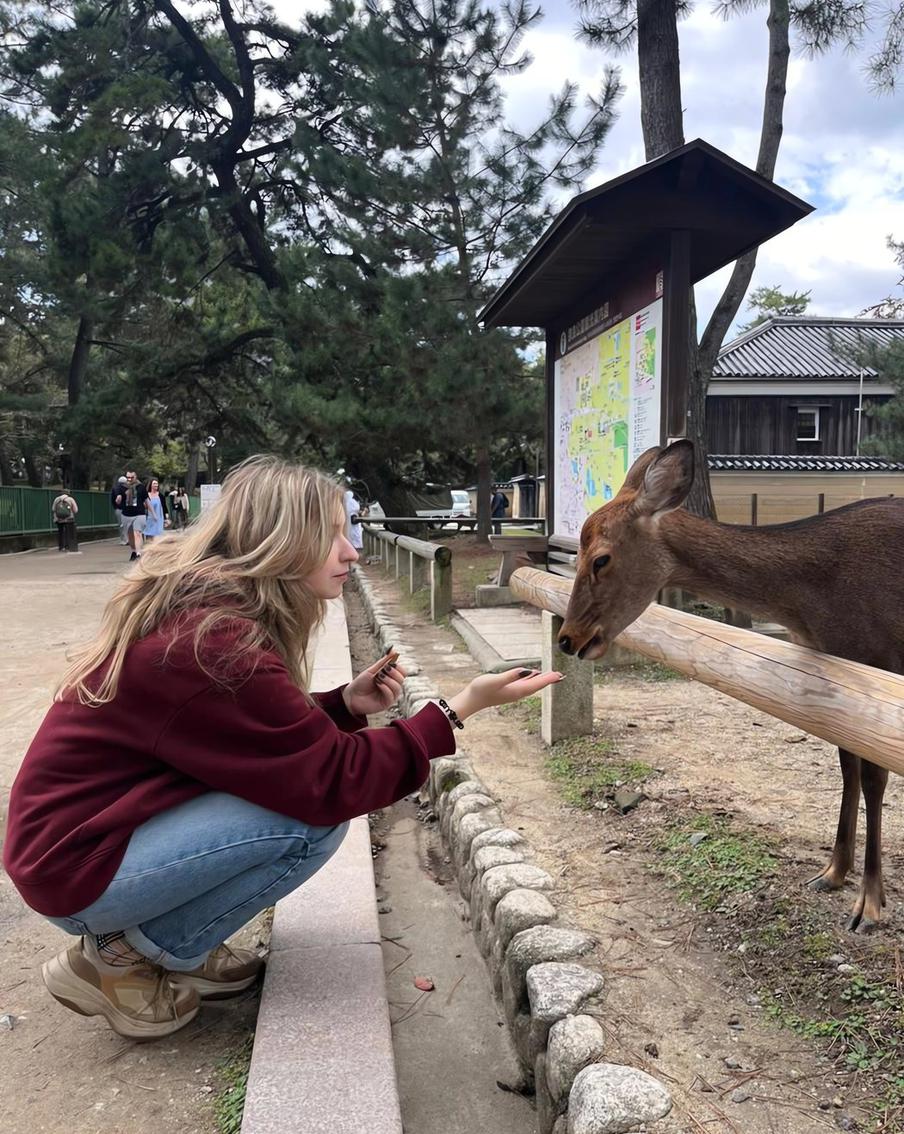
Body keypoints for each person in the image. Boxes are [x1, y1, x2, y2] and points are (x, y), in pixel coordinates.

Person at [3, 455, 562, 1041]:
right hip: (76, 866)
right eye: (331, 535)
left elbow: (251, 741)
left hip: (83, 842)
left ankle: (176, 948)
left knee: (297, 805)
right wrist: (455, 710)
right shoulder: (214, 640)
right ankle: (123, 957)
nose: (350, 550)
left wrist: (343, 705)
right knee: (310, 824)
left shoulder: (210, 612)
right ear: (280, 541)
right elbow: (330, 780)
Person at [118, 470, 148, 561]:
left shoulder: (141, 487)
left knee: (137, 533)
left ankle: (139, 553)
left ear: (136, 477)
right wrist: (118, 499)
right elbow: (117, 500)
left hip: (139, 513)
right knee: (130, 535)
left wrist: (152, 512)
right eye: (128, 477)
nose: (130, 479)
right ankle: (134, 551)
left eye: (132, 477)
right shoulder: (122, 488)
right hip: (127, 513)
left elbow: (146, 501)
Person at [344, 485, 364, 551]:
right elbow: (356, 509)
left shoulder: (344, 502)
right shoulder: (352, 502)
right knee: (355, 536)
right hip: (353, 521)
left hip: (348, 522)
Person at [111, 476, 129, 545]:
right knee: (127, 524)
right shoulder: (128, 489)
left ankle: (123, 539)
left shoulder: (115, 488)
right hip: (127, 509)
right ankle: (128, 539)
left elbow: (112, 499)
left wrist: (115, 507)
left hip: (119, 509)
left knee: (121, 524)